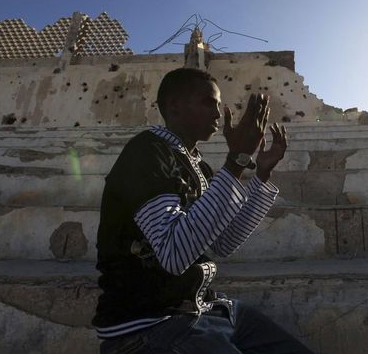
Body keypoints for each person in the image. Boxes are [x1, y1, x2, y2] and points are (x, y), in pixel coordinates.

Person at [92, 68, 313, 353]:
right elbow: (173, 254)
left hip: (206, 310)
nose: (218, 113)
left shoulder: (199, 165)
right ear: (175, 106)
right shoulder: (146, 152)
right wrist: (236, 161)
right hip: (150, 326)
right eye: (209, 102)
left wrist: (261, 176)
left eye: (219, 105)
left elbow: (223, 242)